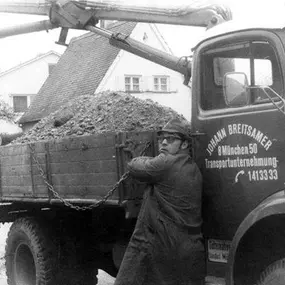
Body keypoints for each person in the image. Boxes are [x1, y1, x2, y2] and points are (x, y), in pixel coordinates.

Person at [114, 118, 205, 285]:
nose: (163, 143)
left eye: (171, 139)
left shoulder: (166, 163)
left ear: (184, 144)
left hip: (165, 246)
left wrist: (138, 158)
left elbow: (135, 167)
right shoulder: (193, 168)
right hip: (190, 249)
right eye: (162, 138)